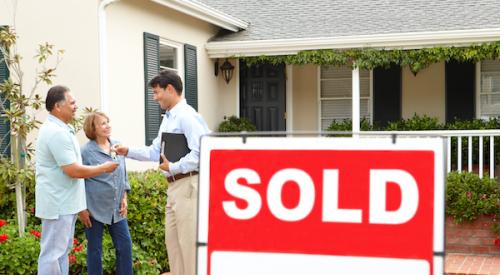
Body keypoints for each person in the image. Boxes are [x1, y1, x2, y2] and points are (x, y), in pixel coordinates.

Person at [114, 70, 210, 275]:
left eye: (157, 92)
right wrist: (128, 151)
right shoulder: (168, 118)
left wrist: (174, 167)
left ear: (170, 89)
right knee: (174, 247)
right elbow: (155, 151)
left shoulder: (187, 116)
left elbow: (203, 150)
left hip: (189, 186)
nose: (155, 97)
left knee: (189, 248)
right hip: (174, 187)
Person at [35, 85, 119, 275]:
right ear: (58, 106)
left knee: (62, 252)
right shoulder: (56, 133)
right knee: (53, 254)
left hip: (65, 204)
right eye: (72, 102)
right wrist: (104, 168)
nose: (75, 106)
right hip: (58, 205)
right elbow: (73, 170)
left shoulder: (63, 129)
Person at [80, 112, 133, 275]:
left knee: (125, 247)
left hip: (117, 208)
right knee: (95, 250)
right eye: (103, 123)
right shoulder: (85, 151)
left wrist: (124, 196)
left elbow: (123, 174)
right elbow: (78, 181)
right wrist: (82, 209)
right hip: (93, 209)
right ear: (93, 128)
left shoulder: (118, 146)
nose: (107, 125)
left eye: (108, 122)